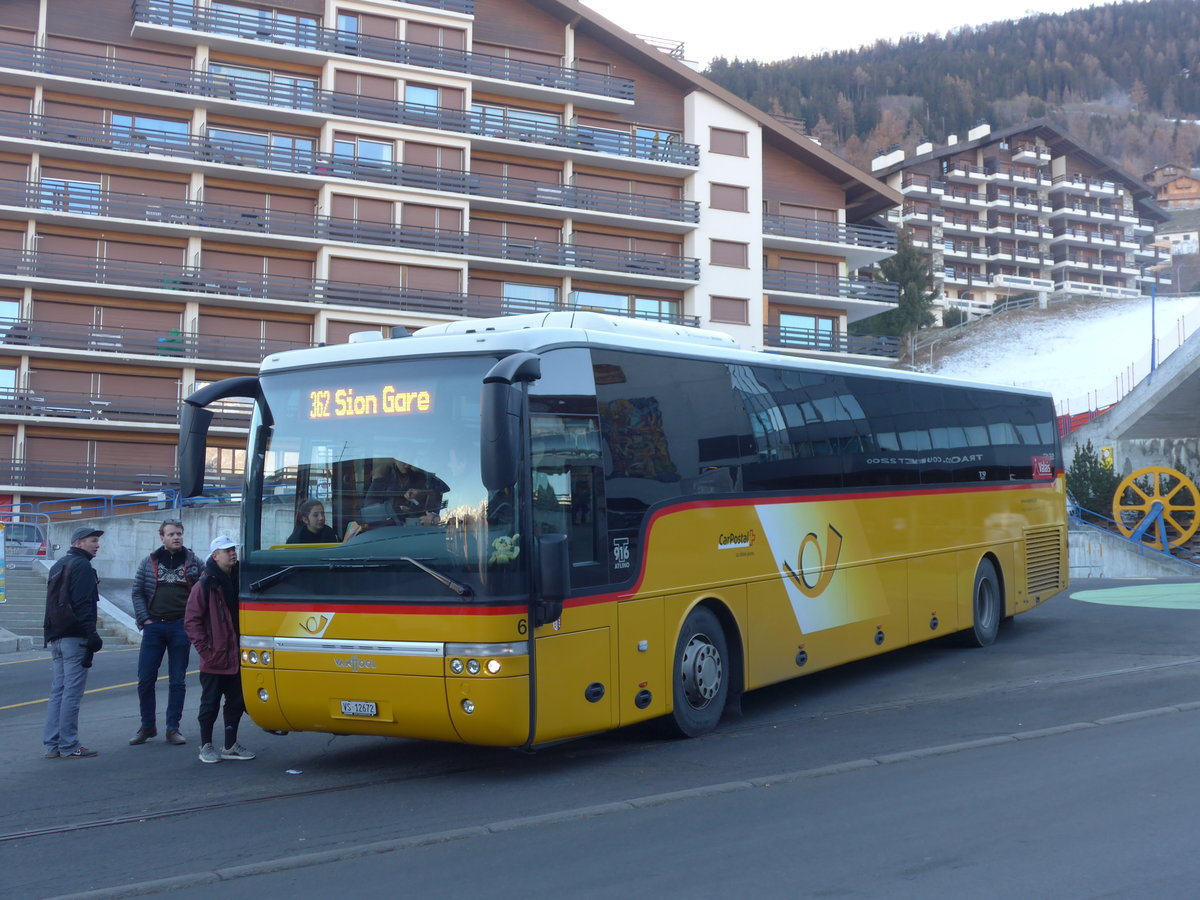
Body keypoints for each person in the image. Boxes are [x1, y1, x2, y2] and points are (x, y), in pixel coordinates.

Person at [129, 519, 202, 746]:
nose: (176, 537)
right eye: (171, 534)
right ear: (162, 537)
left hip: (180, 627)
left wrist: (192, 622)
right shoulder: (149, 561)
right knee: (145, 680)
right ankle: (148, 726)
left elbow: (204, 592)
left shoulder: (194, 562)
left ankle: (173, 728)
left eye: (179, 533)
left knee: (177, 681)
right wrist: (145, 620)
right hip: (154, 628)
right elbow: (137, 592)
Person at [184, 535, 255, 764]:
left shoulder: (239, 580)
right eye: (227, 551)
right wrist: (206, 651)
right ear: (215, 556)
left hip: (236, 653)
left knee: (236, 701)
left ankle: (230, 744)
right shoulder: (205, 584)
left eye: (233, 549)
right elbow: (192, 621)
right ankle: (206, 745)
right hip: (216, 656)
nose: (232, 553)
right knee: (210, 703)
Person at [42, 526, 104, 759]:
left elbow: (50, 603)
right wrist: (92, 635)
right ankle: (69, 744)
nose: (96, 545)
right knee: (71, 693)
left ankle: (52, 744)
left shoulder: (59, 565)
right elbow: (83, 604)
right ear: (79, 543)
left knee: (58, 691)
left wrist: (49, 633)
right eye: (92, 540)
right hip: (74, 636)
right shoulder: (83, 566)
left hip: (57, 635)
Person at [362, 459, 448, 525]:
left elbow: (443, 492)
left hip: (419, 532)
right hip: (387, 533)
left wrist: (422, 493)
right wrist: (395, 509)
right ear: (394, 459)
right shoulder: (380, 483)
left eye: (410, 460)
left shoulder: (423, 480)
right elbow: (367, 514)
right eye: (403, 461)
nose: (407, 465)